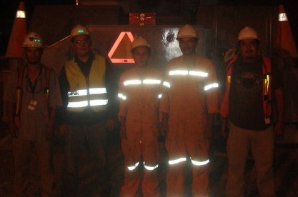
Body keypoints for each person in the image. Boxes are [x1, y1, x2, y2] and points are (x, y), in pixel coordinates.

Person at [220, 26, 285, 197]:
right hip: (237, 128)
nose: (248, 48)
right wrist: (223, 121)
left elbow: (277, 93)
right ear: (239, 47)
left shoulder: (268, 66)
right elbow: (226, 94)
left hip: (263, 128)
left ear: (258, 46)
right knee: (235, 170)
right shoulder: (231, 67)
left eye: (252, 44)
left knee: (265, 171)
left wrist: (280, 121)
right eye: (244, 44)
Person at [57, 24, 117, 196]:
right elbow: (61, 96)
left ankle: (104, 192)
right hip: (74, 124)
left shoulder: (102, 62)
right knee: (70, 165)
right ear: (73, 45)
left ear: (90, 43)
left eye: (84, 41)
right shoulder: (67, 67)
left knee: (102, 162)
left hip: (98, 121)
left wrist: (112, 115)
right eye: (78, 42)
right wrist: (61, 121)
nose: (82, 45)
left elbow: (112, 90)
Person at [159, 24, 220, 196]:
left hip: (198, 126)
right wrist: (163, 121)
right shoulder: (171, 66)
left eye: (190, 41)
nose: (186, 45)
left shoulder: (207, 66)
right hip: (174, 126)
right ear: (179, 44)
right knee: (175, 167)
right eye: (183, 42)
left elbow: (212, 98)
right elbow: (164, 95)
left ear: (196, 43)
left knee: (200, 166)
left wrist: (209, 125)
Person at [4, 32, 62, 197]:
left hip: (42, 129)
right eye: (29, 50)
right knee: (20, 168)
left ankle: (48, 193)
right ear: (25, 52)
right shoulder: (17, 74)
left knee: (46, 168)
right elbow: (9, 101)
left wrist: (50, 127)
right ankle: (20, 192)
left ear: (41, 52)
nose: (33, 54)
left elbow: (54, 105)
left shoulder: (49, 75)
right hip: (21, 128)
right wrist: (10, 124)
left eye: (36, 50)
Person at [118, 36, 163, 196]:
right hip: (132, 126)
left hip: (151, 127)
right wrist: (122, 124)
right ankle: (129, 191)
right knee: (131, 163)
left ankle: (151, 191)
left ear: (149, 55)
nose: (141, 57)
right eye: (138, 53)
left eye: (144, 53)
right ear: (133, 56)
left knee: (151, 163)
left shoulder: (158, 76)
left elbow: (161, 102)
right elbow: (123, 102)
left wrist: (161, 124)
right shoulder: (125, 77)